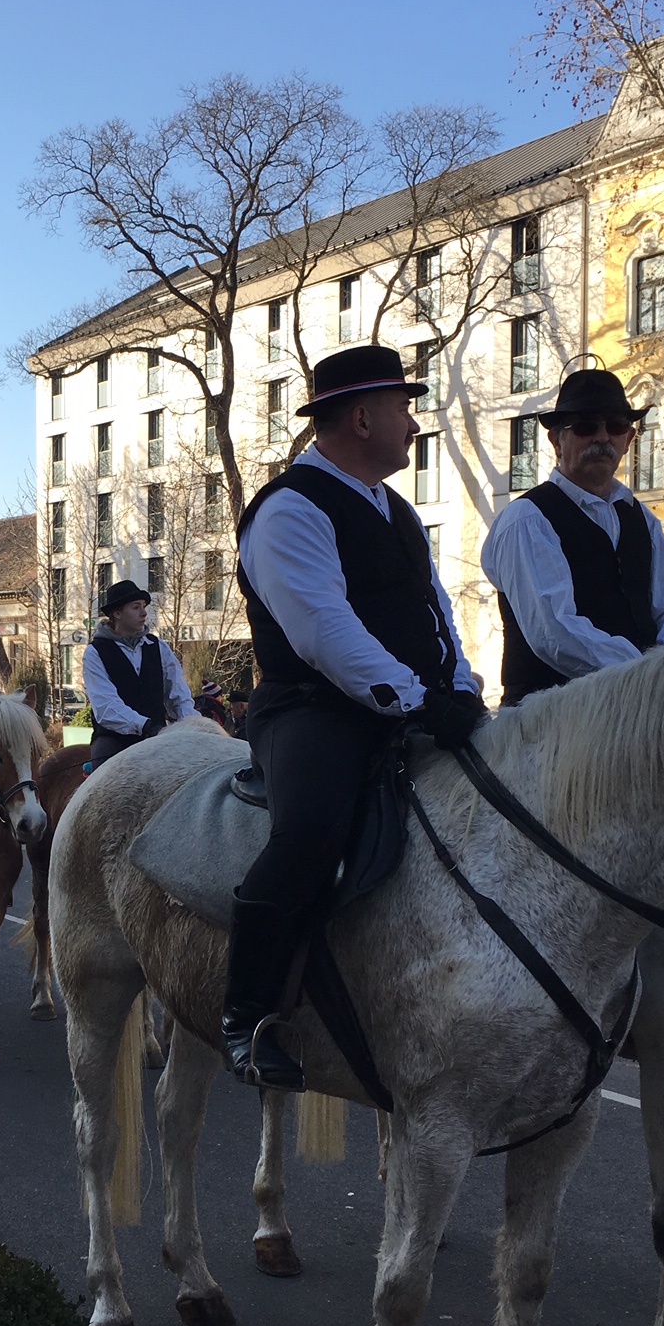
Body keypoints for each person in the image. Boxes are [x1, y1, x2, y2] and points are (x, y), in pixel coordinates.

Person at [227, 345, 488, 1091]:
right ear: (365, 415)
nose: (414, 423)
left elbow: (436, 614)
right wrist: (419, 701)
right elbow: (324, 634)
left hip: (412, 706)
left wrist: (462, 688)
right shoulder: (289, 509)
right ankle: (248, 1016)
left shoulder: (395, 510)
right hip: (314, 712)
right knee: (310, 830)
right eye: (404, 408)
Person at [479, 367, 664, 706]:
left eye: (615, 426)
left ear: (629, 438)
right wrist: (647, 675)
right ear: (557, 440)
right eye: (587, 426)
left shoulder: (640, 518)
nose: (603, 438)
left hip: (635, 711)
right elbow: (554, 631)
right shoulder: (527, 519)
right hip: (549, 722)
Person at [81, 578, 196, 765]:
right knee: (103, 782)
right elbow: (106, 707)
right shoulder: (95, 653)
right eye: (136, 607)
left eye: (143, 606)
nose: (144, 613)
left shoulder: (159, 647)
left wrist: (192, 724)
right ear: (117, 613)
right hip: (114, 739)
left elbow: (178, 694)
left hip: (159, 735)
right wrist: (145, 725)